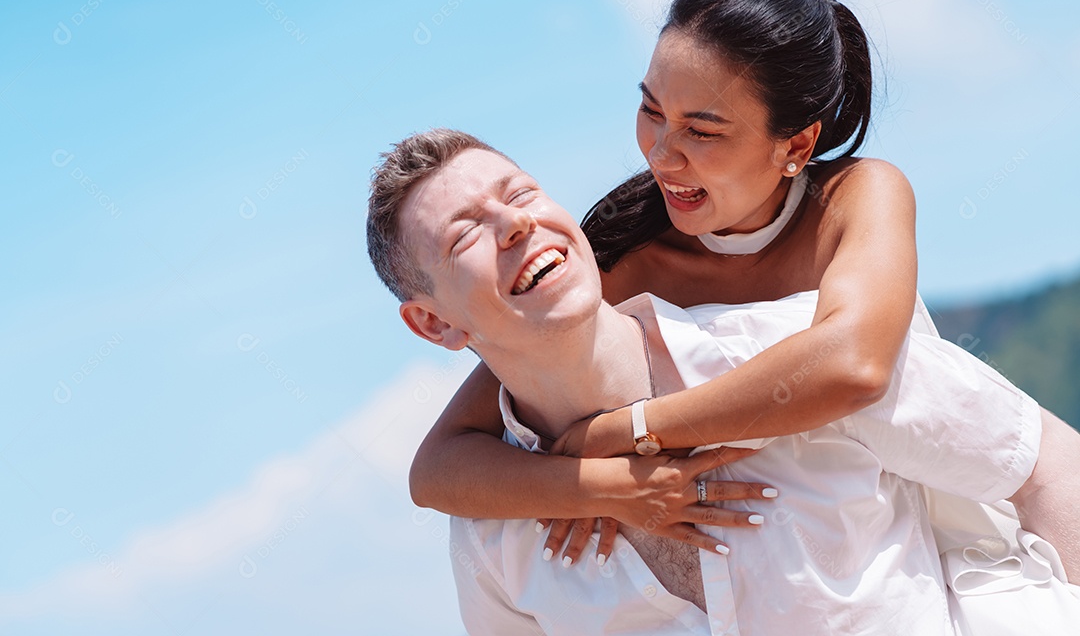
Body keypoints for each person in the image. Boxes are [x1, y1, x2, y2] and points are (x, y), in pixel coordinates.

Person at [406, 0, 1080, 576]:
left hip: (998, 526)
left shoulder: (855, 198)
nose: (663, 155)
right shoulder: (623, 263)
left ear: (797, 145)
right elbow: (438, 468)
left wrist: (621, 432)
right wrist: (593, 484)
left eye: (703, 132)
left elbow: (854, 367)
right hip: (834, 572)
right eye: (650, 111)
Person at [366, 130, 1080, 635]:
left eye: (520, 192)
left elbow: (1045, 463)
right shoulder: (495, 542)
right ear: (434, 325)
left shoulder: (799, 356)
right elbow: (433, 472)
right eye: (465, 234)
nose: (516, 223)